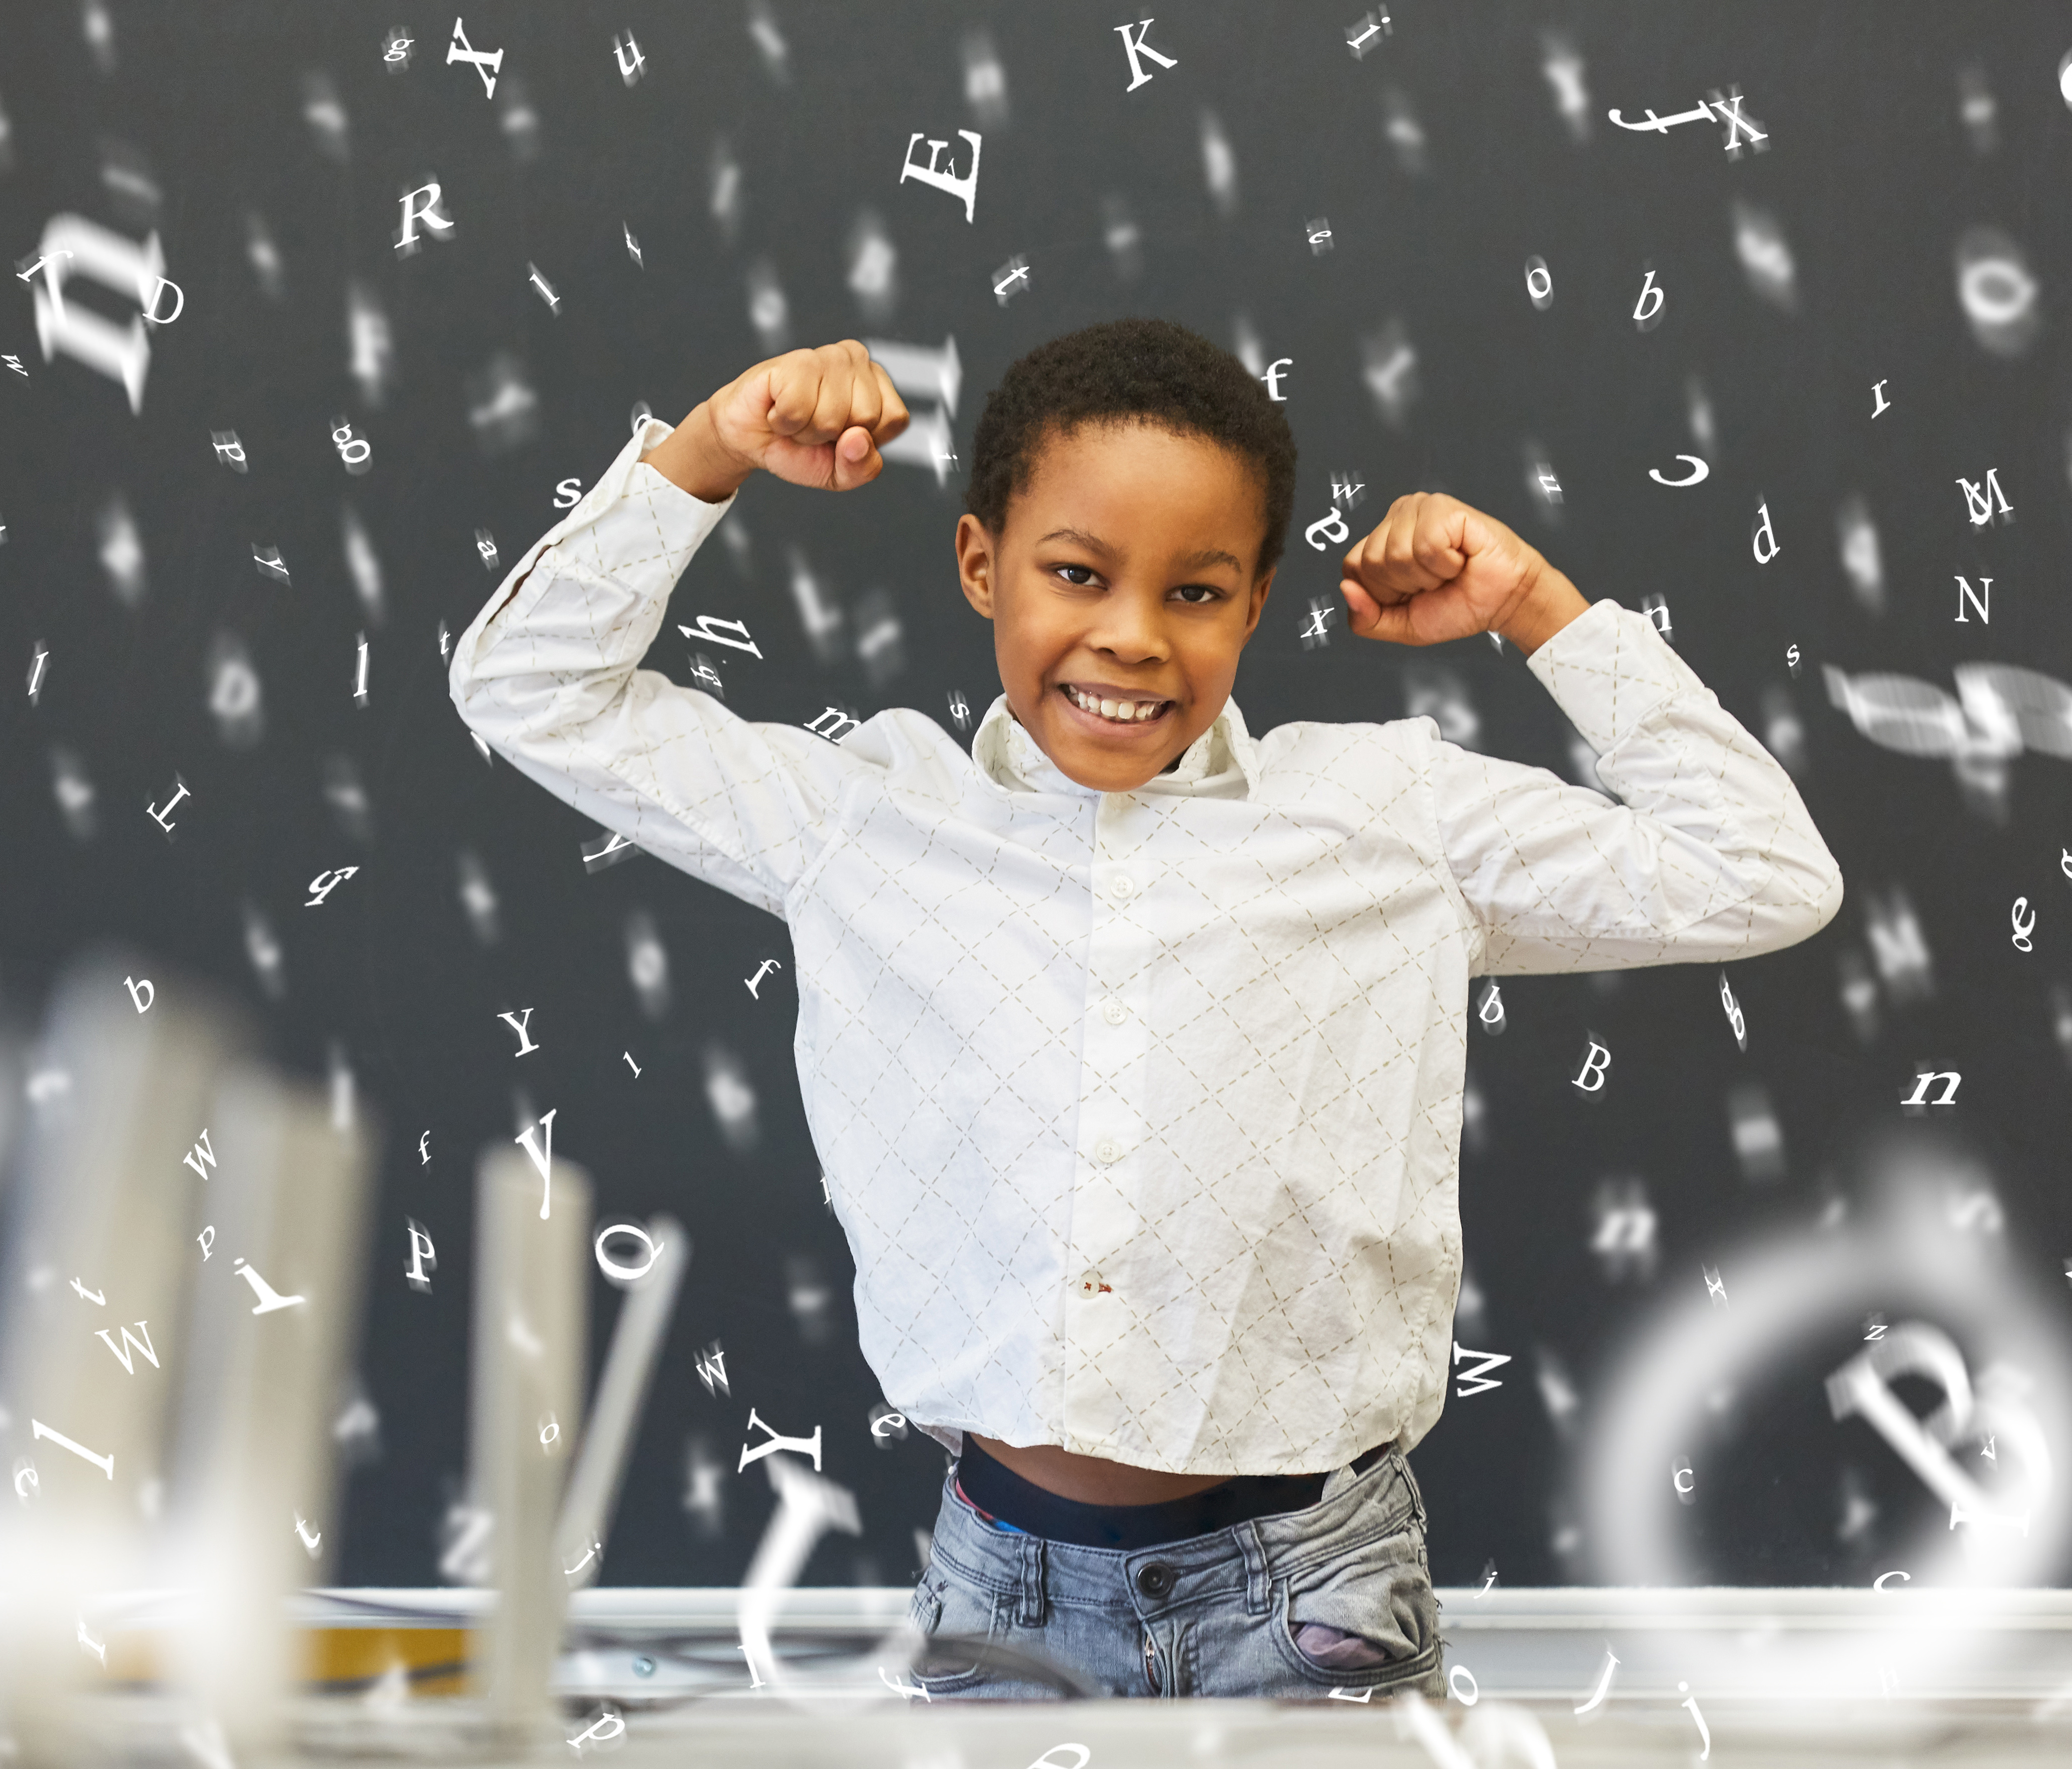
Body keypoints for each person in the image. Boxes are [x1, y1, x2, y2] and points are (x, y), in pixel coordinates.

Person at [451, 318, 1842, 1698]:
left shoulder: (1390, 815)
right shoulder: (863, 816)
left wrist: (1535, 602)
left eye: (1196, 591)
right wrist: (708, 452)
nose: (1129, 636)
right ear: (979, 562)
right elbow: (523, 689)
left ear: (1253, 603)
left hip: (1316, 1594)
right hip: (999, 1590)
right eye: (1074, 572)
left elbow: (1762, 872)